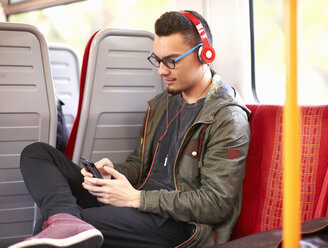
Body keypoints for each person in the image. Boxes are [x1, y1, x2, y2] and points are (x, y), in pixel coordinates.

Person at [10, 10, 250, 248]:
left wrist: (136, 198)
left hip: (181, 224)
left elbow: (216, 204)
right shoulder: (162, 103)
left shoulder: (227, 117)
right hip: (138, 201)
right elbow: (139, 165)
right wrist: (113, 171)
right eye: (157, 60)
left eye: (171, 61)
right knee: (37, 153)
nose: (161, 71)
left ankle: (68, 222)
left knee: (75, 223)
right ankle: (65, 219)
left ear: (204, 54)